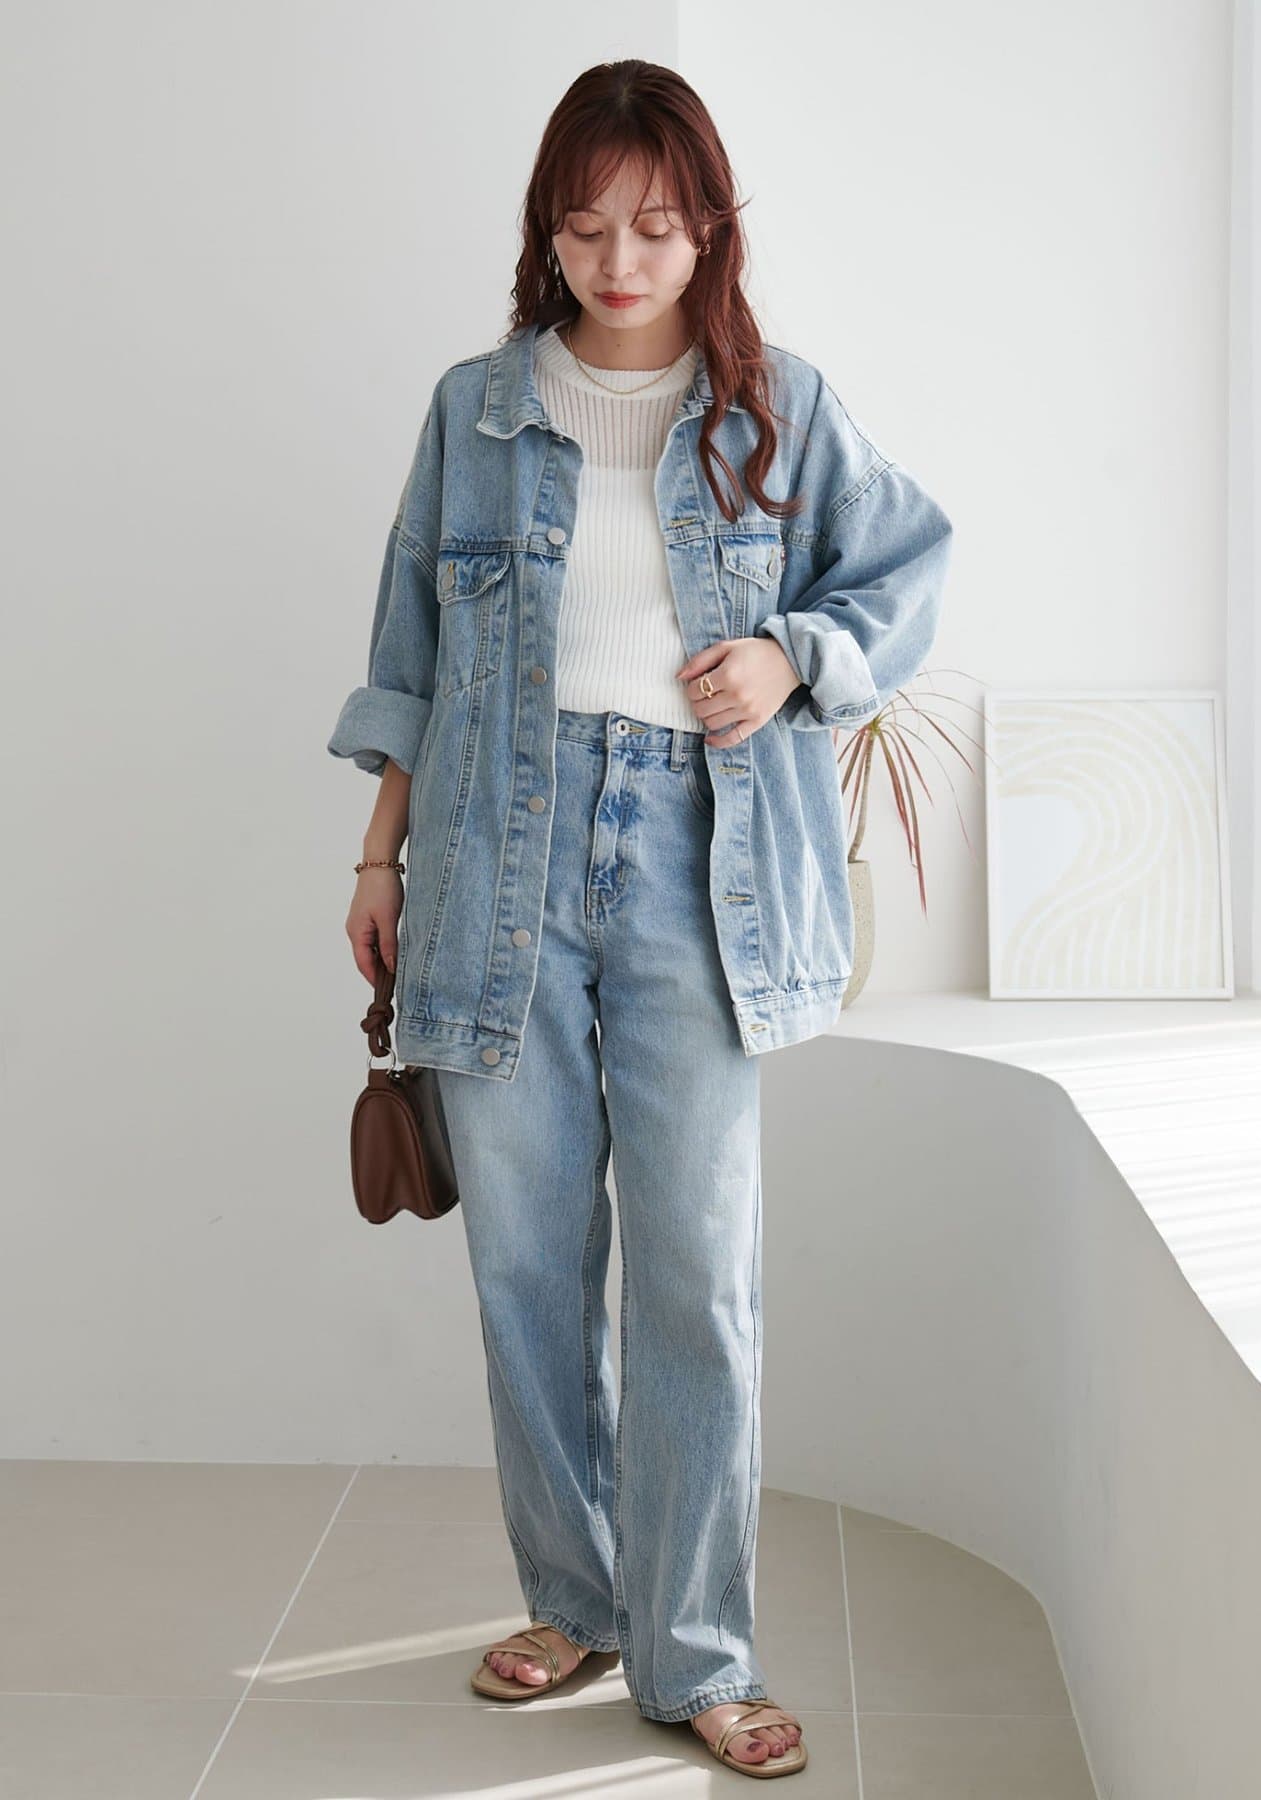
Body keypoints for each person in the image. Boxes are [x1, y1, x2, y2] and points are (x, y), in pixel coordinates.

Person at [328, 58, 953, 1779]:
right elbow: (410, 662)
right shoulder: (472, 412)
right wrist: (379, 864)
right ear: (546, 229)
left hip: (698, 863)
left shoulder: (779, 411)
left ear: (709, 234)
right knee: (528, 1265)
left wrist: (793, 658)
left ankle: (699, 1651)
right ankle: (575, 1598)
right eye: (588, 225)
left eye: (657, 227)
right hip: (493, 864)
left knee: (696, 1276)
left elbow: (903, 572)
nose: (620, 260)